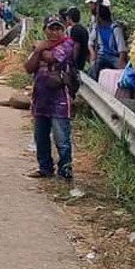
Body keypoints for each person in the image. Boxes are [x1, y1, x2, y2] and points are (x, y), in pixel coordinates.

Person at [24, 15, 77, 179]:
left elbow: (53, 58)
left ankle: (65, 171)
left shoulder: (68, 44)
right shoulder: (42, 46)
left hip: (60, 99)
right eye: (51, 28)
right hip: (41, 98)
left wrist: (39, 49)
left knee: (61, 138)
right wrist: (39, 50)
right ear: (45, 30)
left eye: (58, 28)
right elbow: (28, 67)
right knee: (40, 136)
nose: (55, 32)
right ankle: (45, 167)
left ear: (63, 30)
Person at [88, 4, 127, 79]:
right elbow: (90, 42)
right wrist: (93, 53)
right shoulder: (97, 28)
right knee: (93, 69)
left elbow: (122, 49)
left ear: (100, 18)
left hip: (114, 56)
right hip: (102, 56)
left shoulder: (115, 29)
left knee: (124, 73)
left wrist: (121, 62)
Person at [63, 7, 90, 75]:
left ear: (69, 17)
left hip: (78, 61)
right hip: (82, 59)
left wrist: (73, 61)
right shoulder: (83, 28)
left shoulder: (75, 29)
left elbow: (76, 46)